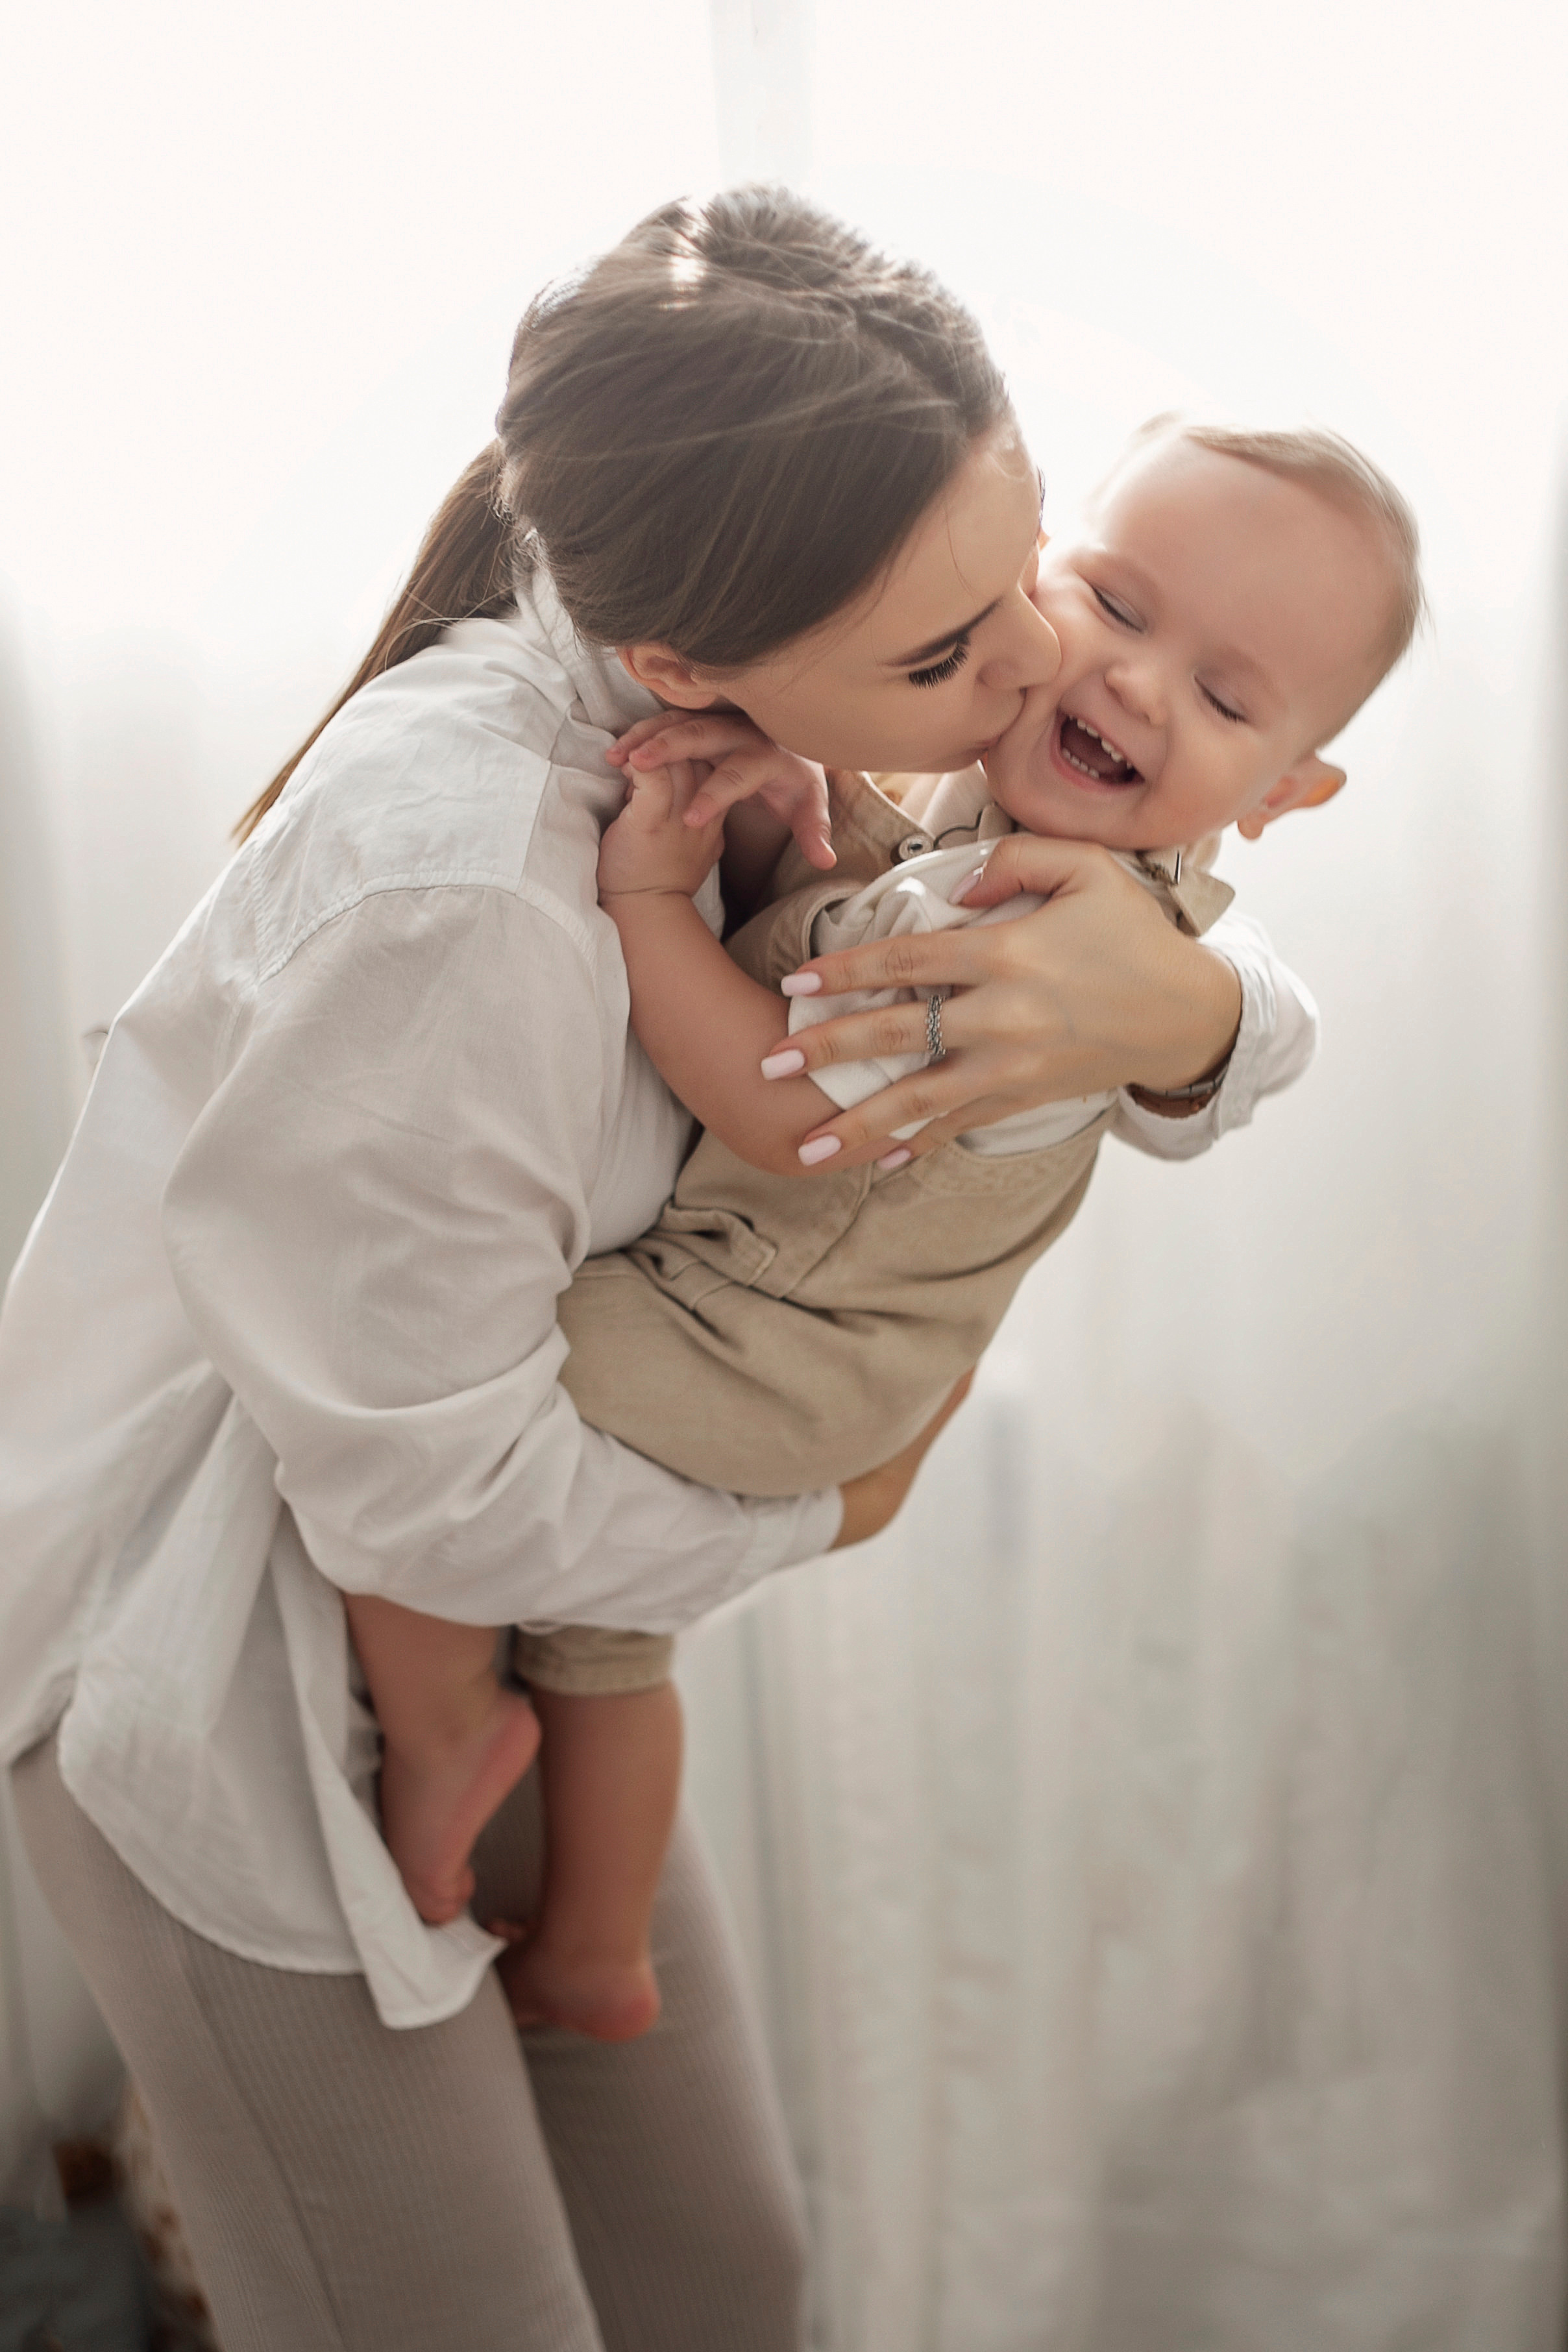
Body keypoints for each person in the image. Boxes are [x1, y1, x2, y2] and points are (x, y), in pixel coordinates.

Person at [0, 188, 1295, 2351]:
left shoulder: (775, 663)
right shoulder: (462, 892)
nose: (1036, 670)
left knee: (719, 2279)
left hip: (506, 1595)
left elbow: (1175, 905)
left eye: (1027, 573)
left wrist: (1175, 1017)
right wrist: (835, 1496)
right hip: (213, 1650)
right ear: (688, 664)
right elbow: (414, 1485)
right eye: (944, 653)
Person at [349, 415, 1414, 2047]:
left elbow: (785, 1106)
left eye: (1218, 695)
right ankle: (596, 1951)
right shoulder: (988, 827)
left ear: (1285, 793)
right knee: (604, 1641)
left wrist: (643, 903)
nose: (1132, 684)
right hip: (822, 1340)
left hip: (763, 1339)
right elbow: (843, 899)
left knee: (410, 1408)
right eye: (1117, 608)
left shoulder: (1021, 935)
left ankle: (433, 1741)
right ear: (1032, 572)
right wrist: (800, 799)